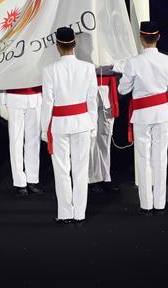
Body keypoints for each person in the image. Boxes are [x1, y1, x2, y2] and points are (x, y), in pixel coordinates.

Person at [117, 21, 168, 215]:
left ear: (140, 38)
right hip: (162, 112)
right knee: (160, 158)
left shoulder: (133, 62)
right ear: (158, 37)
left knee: (143, 158)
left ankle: (146, 204)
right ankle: (160, 204)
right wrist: (166, 98)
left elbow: (123, 89)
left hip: (142, 115)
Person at [40, 27, 98, 224]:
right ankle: (79, 213)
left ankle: (65, 213)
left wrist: (43, 128)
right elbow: (93, 101)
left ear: (57, 46)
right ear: (75, 43)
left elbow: (47, 102)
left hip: (59, 124)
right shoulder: (88, 68)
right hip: (82, 122)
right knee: (80, 168)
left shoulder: (49, 71)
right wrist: (93, 125)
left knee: (61, 169)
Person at [0, 86, 43, 196]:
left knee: (34, 142)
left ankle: (32, 180)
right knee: (15, 142)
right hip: (14, 97)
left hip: (35, 98)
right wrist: (2, 102)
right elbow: (2, 77)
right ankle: (20, 183)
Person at [88, 67, 121, 194]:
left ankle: (105, 177)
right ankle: (92, 178)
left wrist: (111, 64)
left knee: (105, 136)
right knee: (91, 137)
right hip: (88, 89)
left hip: (107, 90)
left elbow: (122, 64)